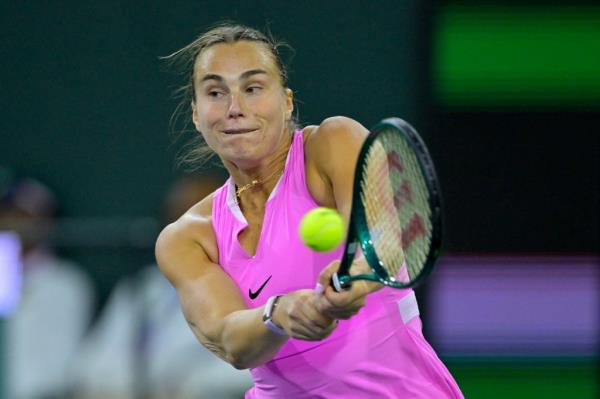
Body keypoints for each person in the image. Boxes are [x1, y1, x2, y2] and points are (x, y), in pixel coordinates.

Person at [156, 24, 464, 398]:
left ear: (286, 102)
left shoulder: (334, 143)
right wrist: (278, 313)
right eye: (215, 92)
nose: (235, 108)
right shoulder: (187, 238)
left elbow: (380, 237)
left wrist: (355, 279)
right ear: (195, 113)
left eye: (253, 88)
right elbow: (229, 339)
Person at [71, 173, 253, 399]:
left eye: (201, 214)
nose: (188, 226)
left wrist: (180, 388)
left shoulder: (256, 282)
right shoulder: (141, 287)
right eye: (178, 215)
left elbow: (250, 370)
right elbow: (92, 368)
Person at [0, 174, 95, 399]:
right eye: (5, 213)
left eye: (21, 215)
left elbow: (61, 371)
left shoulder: (65, 282)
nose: (10, 222)